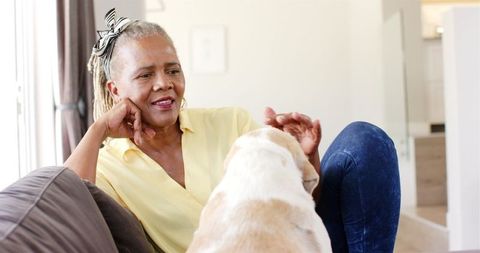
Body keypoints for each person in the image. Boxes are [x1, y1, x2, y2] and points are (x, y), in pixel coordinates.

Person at [65, 9, 400, 253]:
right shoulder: (106, 166)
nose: (164, 84)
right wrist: (98, 130)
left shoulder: (231, 122)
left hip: (290, 244)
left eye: (172, 70)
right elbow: (65, 204)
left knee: (363, 140)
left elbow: (301, 206)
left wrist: (304, 157)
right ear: (114, 89)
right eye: (144, 75)